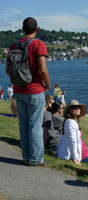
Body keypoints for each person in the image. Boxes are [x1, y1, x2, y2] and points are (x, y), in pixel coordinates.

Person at [5, 17, 51, 166]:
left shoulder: (14, 45)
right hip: (35, 90)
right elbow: (43, 69)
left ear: (23, 29)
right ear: (37, 29)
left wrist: (18, 81)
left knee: (23, 124)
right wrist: (47, 85)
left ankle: (26, 156)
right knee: (35, 126)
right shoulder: (38, 44)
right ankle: (36, 159)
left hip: (19, 90)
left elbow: (8, 69)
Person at [56, 100, 88, 167]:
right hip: (83, 154)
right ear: (69, 110)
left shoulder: (73, 121)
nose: (78, 109)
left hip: (84, 150)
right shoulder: (70, 122)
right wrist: (75, 159)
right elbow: (72, 141)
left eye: (79, 107)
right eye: (75, 107)